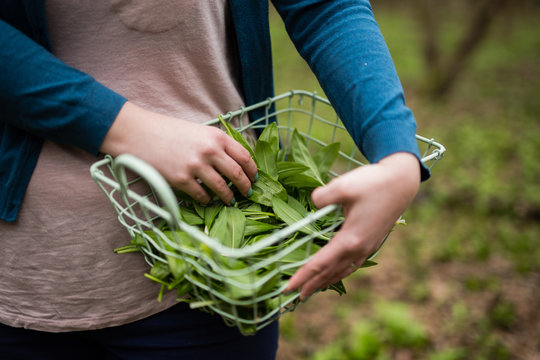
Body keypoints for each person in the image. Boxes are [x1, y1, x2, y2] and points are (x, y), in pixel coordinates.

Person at [0, 1, 429, 359]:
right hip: (20, 275)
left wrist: (397, 154)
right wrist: (125, 127)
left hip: (218, 267)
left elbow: (324, 7)